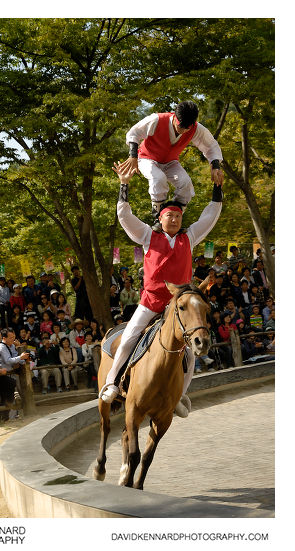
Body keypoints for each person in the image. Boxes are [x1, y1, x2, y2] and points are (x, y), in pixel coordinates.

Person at [99, 159, 223, 403]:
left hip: (179, 305)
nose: (175, 219)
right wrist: (124, 185)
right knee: (129, 338)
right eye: (170, 216)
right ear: (161, 218)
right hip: (151, 302)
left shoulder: (190, 237)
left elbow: (210, 216)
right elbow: (125, 216)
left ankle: (180, 396)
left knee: (189, 354)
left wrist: (217, 190)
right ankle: (112, 383)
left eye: (178, 215)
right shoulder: (148, 236)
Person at [120, 100, 223, 228]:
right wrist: (133, 156)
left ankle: (174, 216)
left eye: (187, 128)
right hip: (146, 158)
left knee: (186, 184)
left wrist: (215, 165)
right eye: (180, 126)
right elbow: (133, 132)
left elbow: (211, 145)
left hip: (170, 162)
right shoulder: (157, 120)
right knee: (158, 178)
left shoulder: (196, 128)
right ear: (175, 116)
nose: (183, 131)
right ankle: (158, 217)